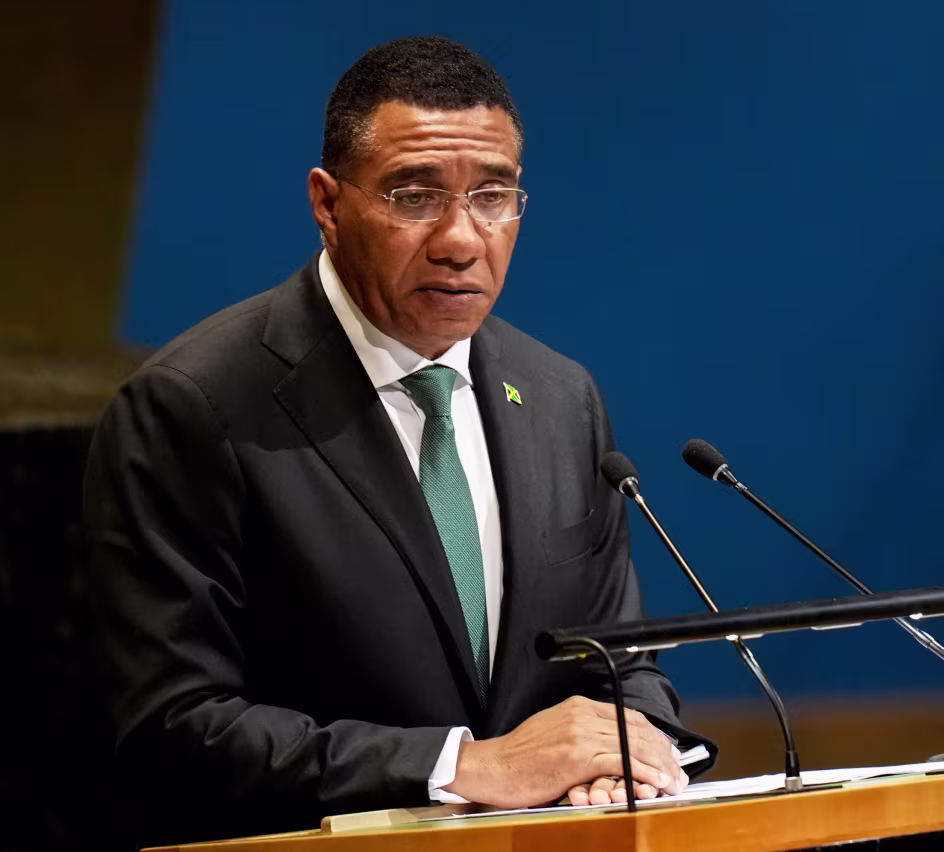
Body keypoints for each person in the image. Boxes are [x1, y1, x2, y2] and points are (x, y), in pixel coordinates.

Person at [83, 35, 714, 847]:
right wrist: (461, 766)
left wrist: (630, 748)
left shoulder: (561, 397)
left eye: (494, 196)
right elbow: (171, 722)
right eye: (415, 196)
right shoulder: (196, 406)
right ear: (327, 203)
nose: (461, 238)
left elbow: (618, 665)